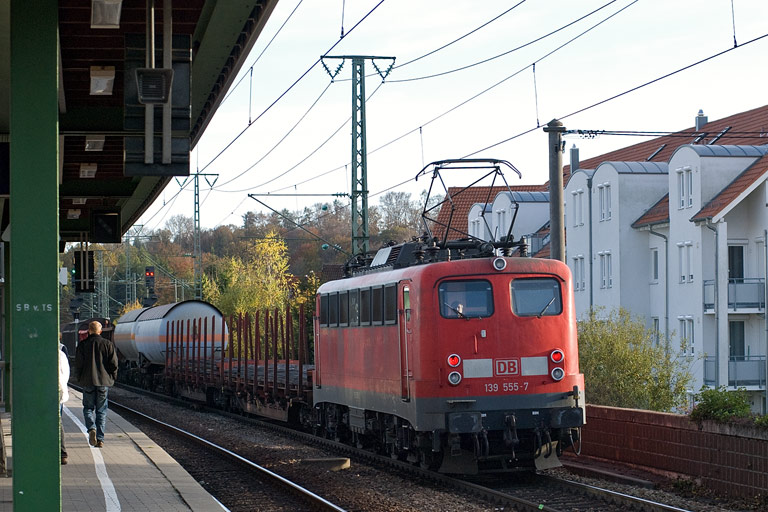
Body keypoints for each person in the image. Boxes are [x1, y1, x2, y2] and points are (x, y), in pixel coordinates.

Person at [74, 321, 118, 448]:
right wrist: (112, 377)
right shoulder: (108, 344)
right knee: (101, 411)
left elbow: (78, 365)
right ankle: (100, 439)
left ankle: (91, 428)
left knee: (88, 408)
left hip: (88, 381)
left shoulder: (82, 345)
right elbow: (114, 364)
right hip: (103, 382)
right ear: (100, 331)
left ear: (89, 330)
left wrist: (80, 378)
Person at [59, 335, 70, 465]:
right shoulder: (61, 353)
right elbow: (66, 374)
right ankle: (62, 453)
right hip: (59, 391)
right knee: (58, 422)